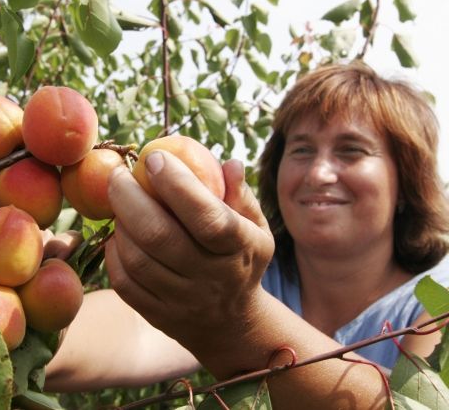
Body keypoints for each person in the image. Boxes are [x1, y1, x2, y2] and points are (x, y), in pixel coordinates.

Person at [43, 61, 449, 408]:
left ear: (406, 184)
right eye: (302, 150)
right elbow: (137, 329)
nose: (318, 173)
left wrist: (238, 322)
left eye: (352, 151)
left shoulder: (439, 301)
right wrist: (29, 319)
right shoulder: (256, 279)